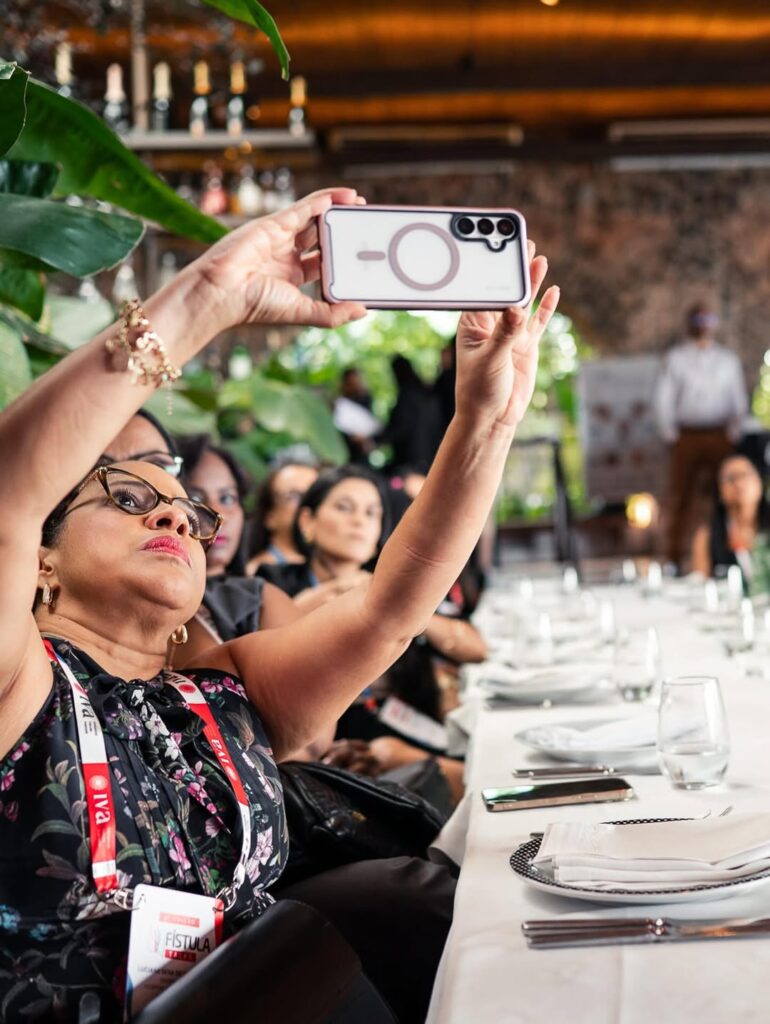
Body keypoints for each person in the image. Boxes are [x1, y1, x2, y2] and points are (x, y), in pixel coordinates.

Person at [0, 185, 558, 1021]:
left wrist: (487, 420)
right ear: (40, 557)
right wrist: (208, 296)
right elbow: (7, 493)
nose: (171, 518)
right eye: (126, 497)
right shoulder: (20, 689)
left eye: (190, 516)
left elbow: (388, 610)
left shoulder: (224, 693)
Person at [654, 303, 749, 569]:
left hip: (720, 434)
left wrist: (733, 433)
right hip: (687, 435)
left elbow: (738, 399)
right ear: (690, 323)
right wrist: (671, 435)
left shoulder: (727, 360)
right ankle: (673, 558)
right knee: (680, 497)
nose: (703, 324)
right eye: (699, 319)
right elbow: (663, 398)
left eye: (708, 319)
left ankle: (730, 556)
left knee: (728, 497)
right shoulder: (675, 358)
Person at [691, 454, 770, 584]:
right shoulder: (707, 536)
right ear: (720, 491)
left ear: (759, 482)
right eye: (730, 478)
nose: (739, 483)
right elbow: (700, 584)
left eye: (745, 475)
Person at [245, 461, 320, 574]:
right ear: (269, 516)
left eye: (314, 495)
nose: (308, 504)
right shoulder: (257, 574)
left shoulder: (320, 568)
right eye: (295, 496)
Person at [379, 355, 443, 473]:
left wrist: (379, 439)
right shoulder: (427, 393)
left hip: (412, 459)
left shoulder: (407, 396)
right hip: (431, 455)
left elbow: (401, 428)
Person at [333, 367, 382, 464]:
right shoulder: (340, 401)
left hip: (361, 447)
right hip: (343, 444)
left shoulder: (366, 398)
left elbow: (367, 422)